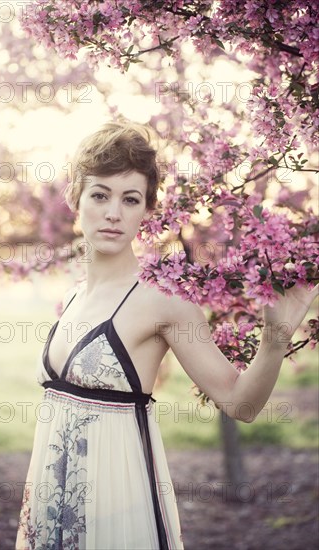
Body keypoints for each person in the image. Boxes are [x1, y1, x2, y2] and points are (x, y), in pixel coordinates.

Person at [16, 119, 318, 550]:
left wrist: (276, 337)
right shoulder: (72, 297)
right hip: (49, 504)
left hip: (119, 508)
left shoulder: (164, 301)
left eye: (131, 199)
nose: (113, 213)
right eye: (100, 195)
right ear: (75, 198)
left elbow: (240, 404)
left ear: (147, 210)